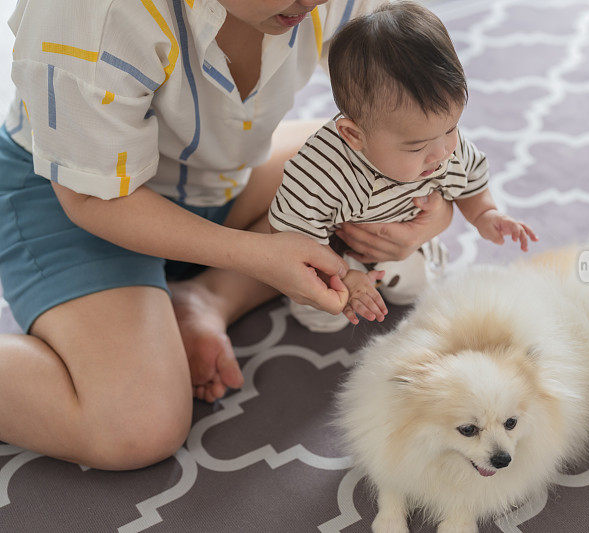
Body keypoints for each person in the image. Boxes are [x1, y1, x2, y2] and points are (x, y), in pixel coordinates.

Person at [0, 0, 454, 470]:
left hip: (216, 178)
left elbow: (418, 108)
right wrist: (255, 253)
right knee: (135, 427)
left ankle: (204, 298)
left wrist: (432, 209)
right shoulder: (88, 14)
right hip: (82, 197)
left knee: (384, 170)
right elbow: (91, 199)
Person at [267, 1, 537, 332]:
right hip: (333, 251)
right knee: (322, 315)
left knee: (419, 288)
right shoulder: (321, 171)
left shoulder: (445, 148)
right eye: (416, 146)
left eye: (451, 129)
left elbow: (471, 183)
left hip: (403, 246)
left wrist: (485, 215)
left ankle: (390, 278)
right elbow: (290, 237)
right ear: (354, 136)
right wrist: (342, 274)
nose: (440, 153)